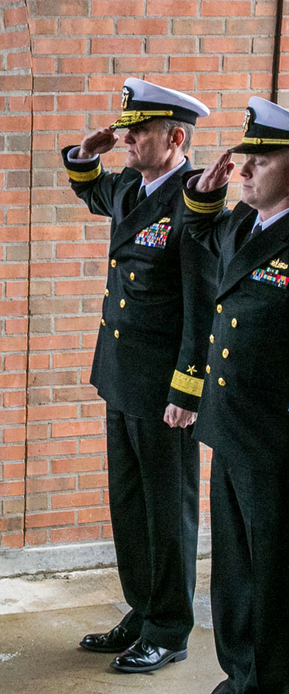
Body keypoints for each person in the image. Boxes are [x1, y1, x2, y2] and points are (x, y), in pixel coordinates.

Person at [61, 78, 215, 673]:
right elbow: (90, 191)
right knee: (129, 501)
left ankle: (170, 627)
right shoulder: (130, 183)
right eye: (126, 129)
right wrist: (87, 151)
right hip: (121, 373)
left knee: (167, 506)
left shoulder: (194, 202)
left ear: (176, 138)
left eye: (140, 131)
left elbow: (202, 304)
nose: (128, 139)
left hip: (162, 386)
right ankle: (142, 608)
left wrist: (188, 385)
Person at [182, 96, 289, 694]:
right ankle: (242, 672)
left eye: (260, 160)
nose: (243, 171)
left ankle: (270, 679)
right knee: (235, 571)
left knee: (273, 573)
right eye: (242, 158)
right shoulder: (245, 225)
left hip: (275, 436)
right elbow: (197, 227)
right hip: (232, 428)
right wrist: (205, 187)